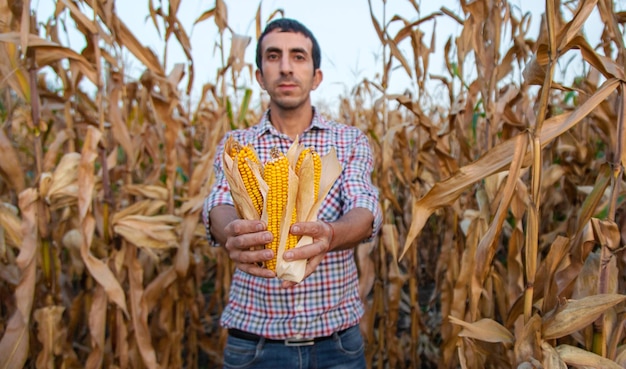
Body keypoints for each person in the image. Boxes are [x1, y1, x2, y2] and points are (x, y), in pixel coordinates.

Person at [202, 17, 382, 369]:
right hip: (254, 342)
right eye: (273, 56)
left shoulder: (347, 141)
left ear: (316, 76)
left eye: (298, 57)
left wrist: (329, 236)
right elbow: (219, 205)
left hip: (336, 343)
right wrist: (231, 235)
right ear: (259, 75)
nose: (286, 67)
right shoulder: (238, 146)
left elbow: (366, 210)